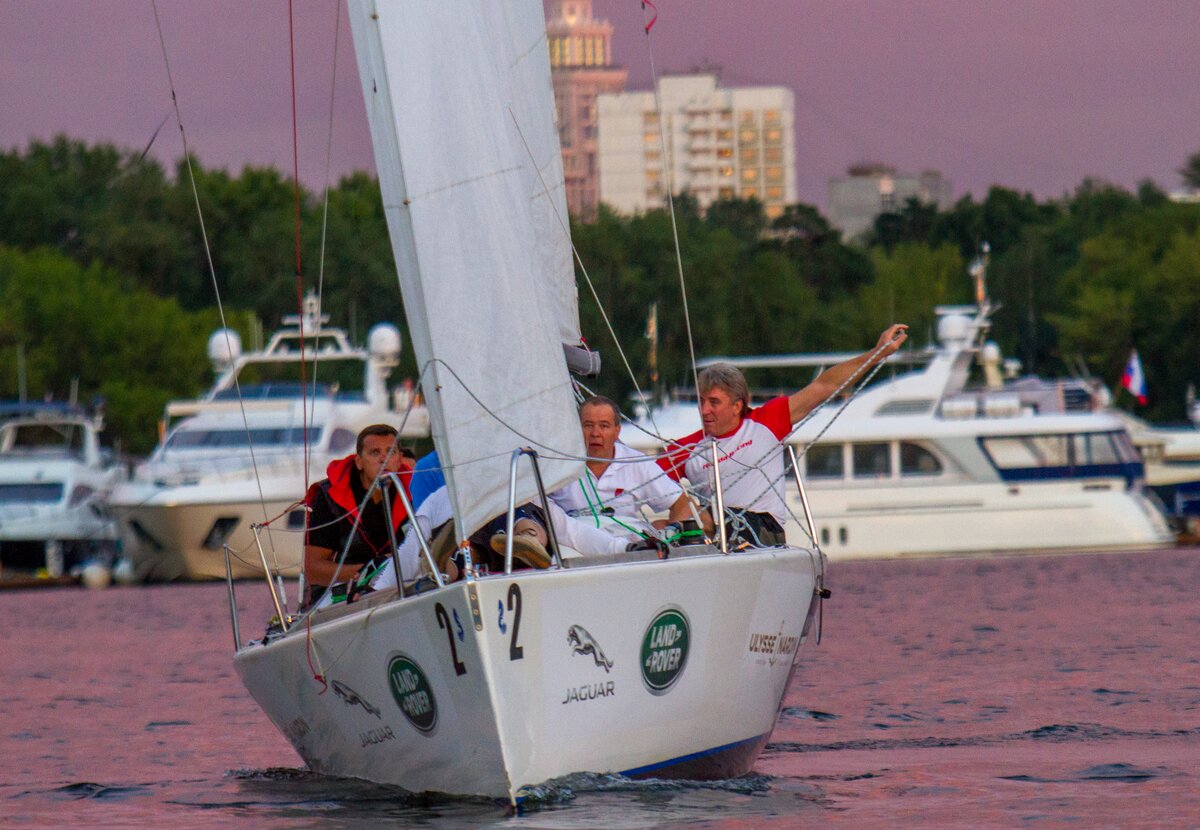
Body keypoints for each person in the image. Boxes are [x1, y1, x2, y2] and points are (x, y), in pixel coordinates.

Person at [659, 324, 908, 546]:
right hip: (714, 537)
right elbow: (642, 481)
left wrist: (878, 353)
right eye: (701, 402)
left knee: (702, 518)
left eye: (714, 402)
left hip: (762, 530)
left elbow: (824, 386)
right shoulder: (687, 448)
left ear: (737, 405)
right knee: (672, 519)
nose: (704, 410)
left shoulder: (766, 422)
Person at [303, 423, 416, 606]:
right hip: (340, 591)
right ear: (359, 462)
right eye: (374, 452)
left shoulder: (414, 489)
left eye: (391, 452)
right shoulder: (330, 496)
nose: (384, 459)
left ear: (400, 458)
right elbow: (313, 568)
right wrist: (369, 573)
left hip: (400, 584)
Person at [551, 396, 694, 540]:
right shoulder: (557, 463)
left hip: (627, 548)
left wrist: (672, 531)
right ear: (577, 428)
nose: (595, 433)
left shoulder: (637, 463)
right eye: (588, 425)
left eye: (604, 426)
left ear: (617, 431)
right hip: (573, 545)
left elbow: (682, 504)